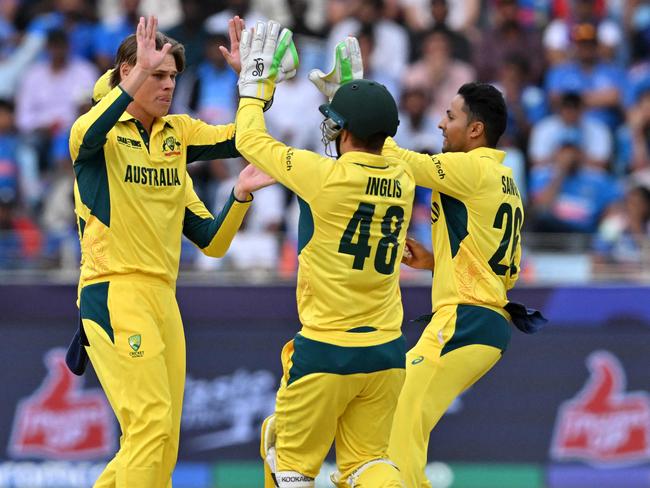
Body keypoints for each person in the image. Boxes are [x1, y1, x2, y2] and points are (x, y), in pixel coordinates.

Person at [67, 16, 274, 487]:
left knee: (162, 437)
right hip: (113, 290)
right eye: (158, 75)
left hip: (163, 298)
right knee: (150, 426)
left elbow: (213, 238)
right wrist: (138, 72)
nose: (168, 86)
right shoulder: (93, 134)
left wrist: (252, 84)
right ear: (128, 72)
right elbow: (88, 130)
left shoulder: (176, 138)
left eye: (173, 77)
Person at [231, 21, 414, 487]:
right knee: (371, 465)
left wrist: (253, 89)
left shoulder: (324, 178)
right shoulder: (404, 178)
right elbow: (381, 145)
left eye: (337, 118)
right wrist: (353, 97)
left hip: (326, 349)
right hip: (387, 350)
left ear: (347, 129)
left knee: (287, 465)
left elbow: (250, 142)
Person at [381, 83, 545, 487]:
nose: (440, 122)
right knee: (403, 416)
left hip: (465, 319)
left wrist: (352, 117)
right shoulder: (502, 176)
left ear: (475, 130)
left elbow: (399, 160)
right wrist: (437, 262)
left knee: (400, 414)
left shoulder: (471, 168)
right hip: (482, 319)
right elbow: (491, 259)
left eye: (450, 116)